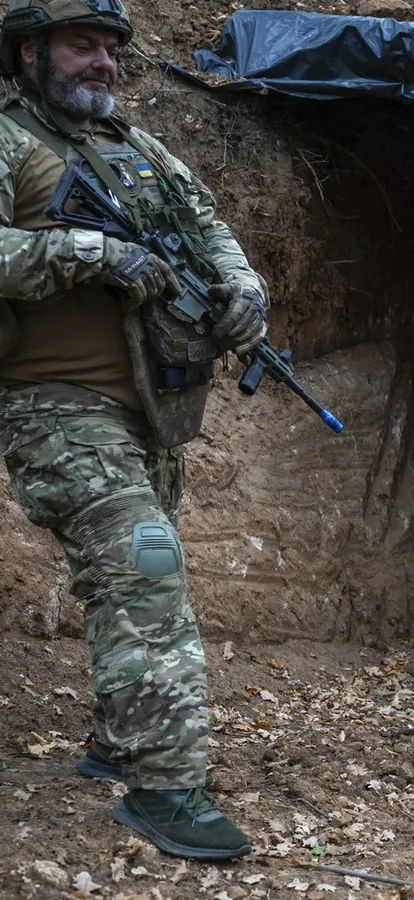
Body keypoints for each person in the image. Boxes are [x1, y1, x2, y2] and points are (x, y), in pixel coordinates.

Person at [0, 0, 269, 859]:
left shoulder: (139, 149)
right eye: (84, 45)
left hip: (157, 413)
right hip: (57, 408)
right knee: (148, 574)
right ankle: (164, 789)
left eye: (114, 49)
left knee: (127, 583)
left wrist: (243, 295)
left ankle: (122, 734)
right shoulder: (8, 139)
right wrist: (86, 252)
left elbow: (210, 232)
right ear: (31, 51)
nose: (105, 63)